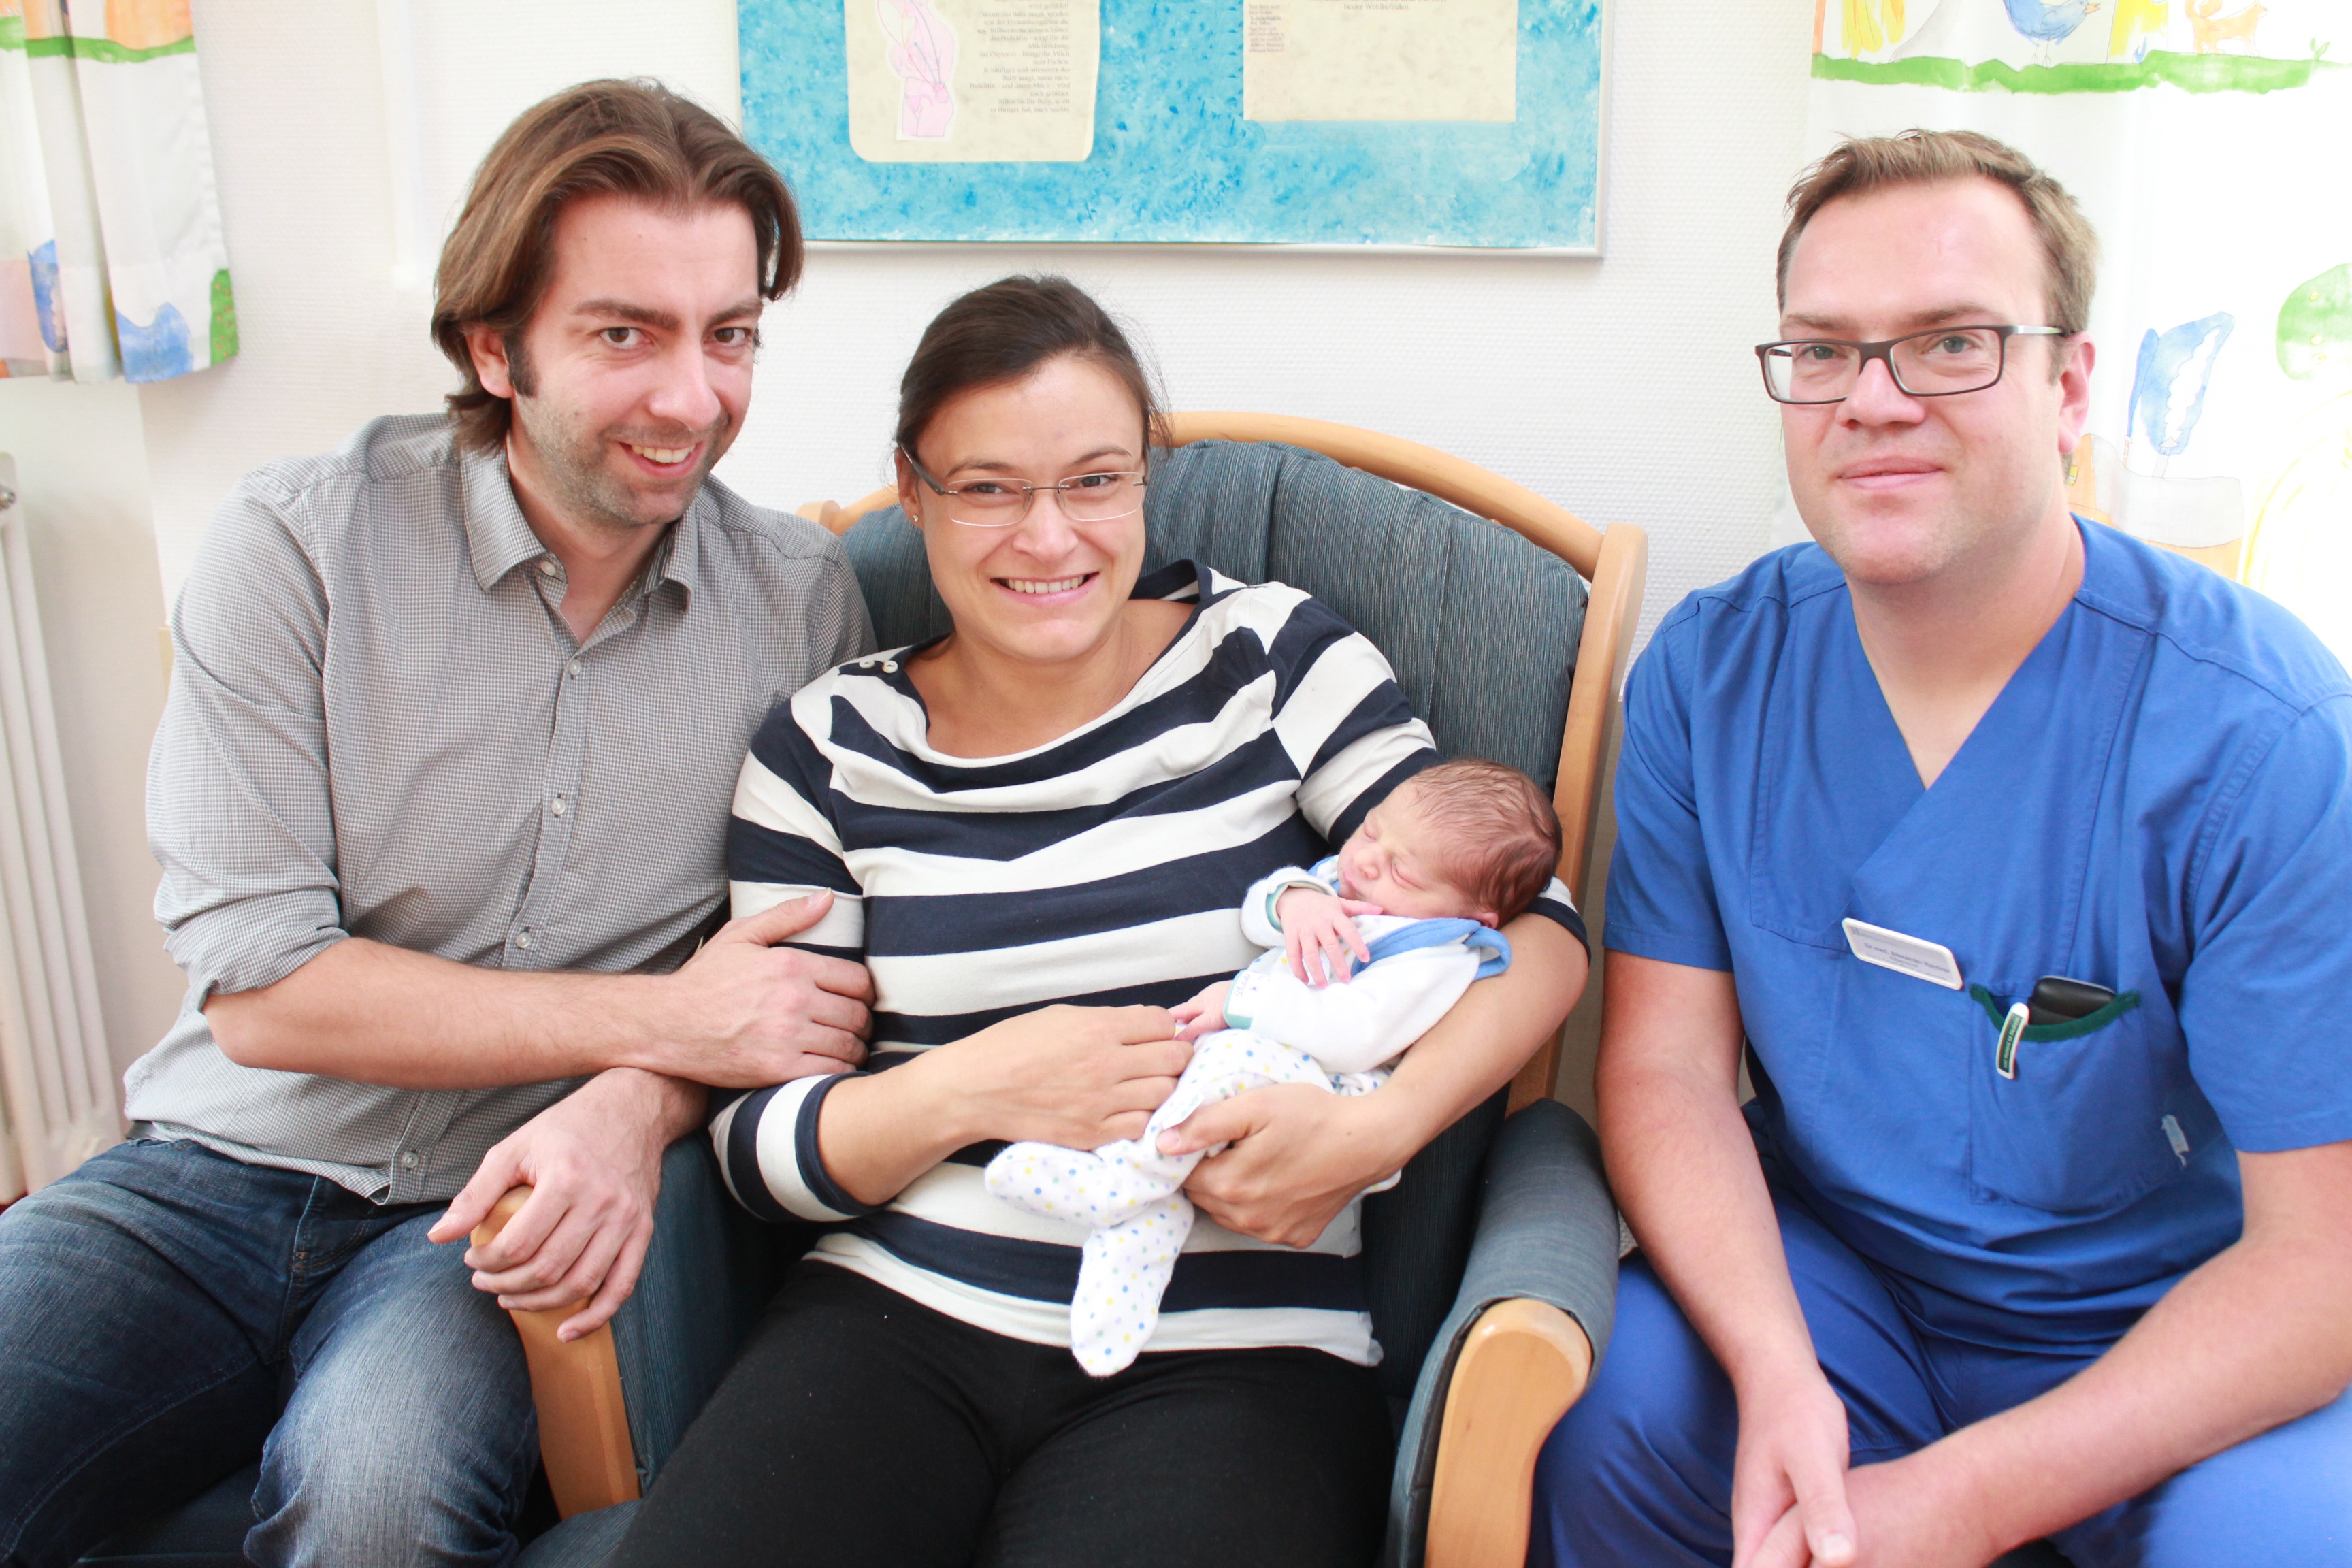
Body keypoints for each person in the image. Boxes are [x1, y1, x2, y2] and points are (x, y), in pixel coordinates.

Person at [0, 81, 878, 1568]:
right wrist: (665, 1022)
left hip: (487, 1213)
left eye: (728, 334)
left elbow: (786, 1000)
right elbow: (266, 994)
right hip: (208, 1169)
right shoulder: (300, 543)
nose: (692, 397)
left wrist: (632, 1099)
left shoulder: (802, 602)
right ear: (494, 345)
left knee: (378, 1503)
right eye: (624, 334)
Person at [608, 274, 1590, 1568]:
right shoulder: (827, 747)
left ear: (1144, 480)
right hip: (890, 1321)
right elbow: (758, 1148)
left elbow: (1534, 931)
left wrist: (1377, 1128)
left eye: (1093, 480)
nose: (1050, 536)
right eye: (988, 486)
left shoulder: (1273, 660)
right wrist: (973, 1084)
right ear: (913, 490)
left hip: (1234, 1353)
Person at [1532, 129, 2352, 1567]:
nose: (1875, 400)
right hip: (1848, 1299)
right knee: (1618, 1415)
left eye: (1952, 344)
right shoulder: (1709, 681)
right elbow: (1663, 1072)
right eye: (1824, 351)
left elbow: (2323, 1260)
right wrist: (1779, 1370)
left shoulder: (2261, 738)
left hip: (2175, 1330)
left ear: (2071, 387)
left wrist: (1970, 1499)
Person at [987, 757, 1563, 1375]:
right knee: (1179, 1083)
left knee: (1225, 1068)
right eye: (1372, 830)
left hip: (1321, 1090)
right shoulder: (1346, 891)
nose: (1368, 861)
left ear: (1473, 917)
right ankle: (1135, 1244)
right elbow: (1255, 914)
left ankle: (1119, 1181)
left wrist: (1240, 1004)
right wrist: (1293, 901)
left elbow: (1354, 1034)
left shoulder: (1434, 955)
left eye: (1402, 869)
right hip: (1248, 1061)